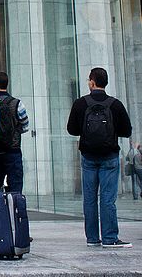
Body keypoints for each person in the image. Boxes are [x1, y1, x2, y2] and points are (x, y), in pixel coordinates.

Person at [67, 67, 133, 248]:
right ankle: (110, 238)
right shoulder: (115, 104)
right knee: (107, 198)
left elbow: (72, 129)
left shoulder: (80, 104)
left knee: (89, 199)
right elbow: (127, 131)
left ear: (92, 82)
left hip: (88, 157)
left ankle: (92, 238)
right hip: (109, 156)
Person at [0, 70, 29, 193]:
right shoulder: (17, 103)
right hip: (13, 150)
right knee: (15, 189)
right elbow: (25, 126)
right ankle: (15, 211)